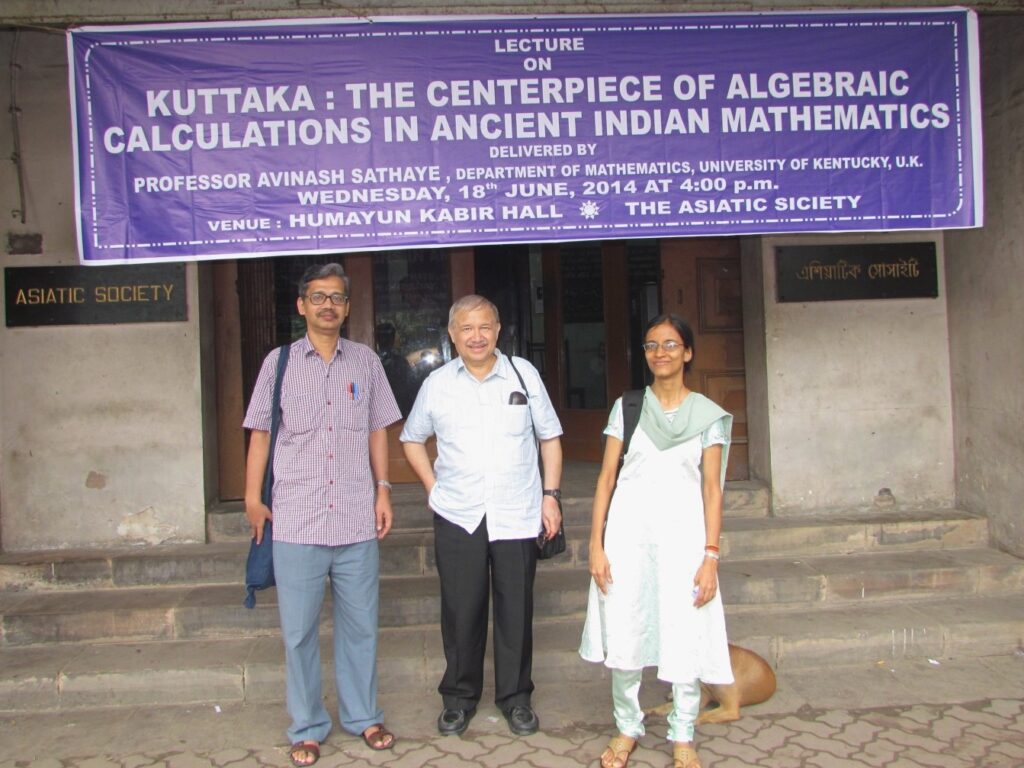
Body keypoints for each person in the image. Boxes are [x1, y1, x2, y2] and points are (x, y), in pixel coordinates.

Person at [243, 263, 401, 767]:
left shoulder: (366, 363)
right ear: (302, 305)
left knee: (361, 626)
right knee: (299, 631)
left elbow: (379, 428)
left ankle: (363, 716)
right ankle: (307, 725)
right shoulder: (279, 363)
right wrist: (252, 496)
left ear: (348, 308)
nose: (327, 305)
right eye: (318, 297)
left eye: (336, 297)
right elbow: (261, 433)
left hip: (356, 515)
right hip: (297, 518)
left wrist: (383, 489)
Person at [400, 294, 564, 738]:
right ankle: (458, 698)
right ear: (452, 335)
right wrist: (433, 490)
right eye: (466, 328)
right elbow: (412, 439)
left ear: (498, 330)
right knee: (461, 611)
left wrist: (551, 496)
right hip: (459, 514)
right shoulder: (437, 384)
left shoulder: (522, 374)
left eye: (485, 326)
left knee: (516, 610)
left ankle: (516, 699)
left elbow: (549, 437)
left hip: (517, 511)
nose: (477, 336)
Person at [579, 314, 734, 768]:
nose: (660, 353)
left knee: (683, 635)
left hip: (684, 542)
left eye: (670, 344)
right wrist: (595, 545)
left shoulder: (707, 415)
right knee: (626, 631)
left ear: (687, 352)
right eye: (651, 345)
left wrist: (711, 557)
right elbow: (606, 479)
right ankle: (627, 727)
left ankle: (683, 733)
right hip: (628, 539)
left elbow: (711, 489)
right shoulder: (628, 407)